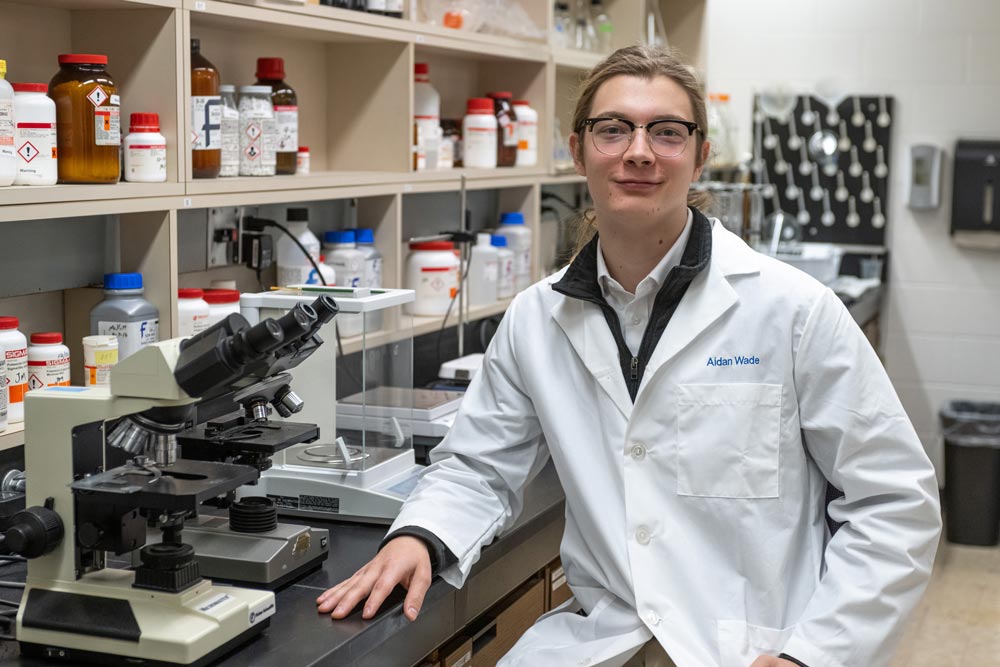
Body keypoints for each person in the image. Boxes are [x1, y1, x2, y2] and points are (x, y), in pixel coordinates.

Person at [316, 46, 941, 667]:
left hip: (754, 648)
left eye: (667, 133)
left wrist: (813, 656)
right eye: (613, 129)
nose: (638, 151)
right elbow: (478, 467)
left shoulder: (793, 310)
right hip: (599, 641)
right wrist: (422, 537)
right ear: (577, 148)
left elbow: (893, 505)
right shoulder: (537, 319)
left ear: (700, 157)